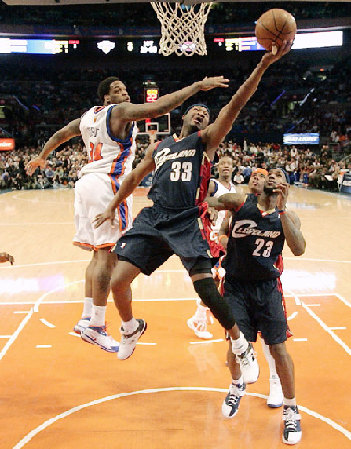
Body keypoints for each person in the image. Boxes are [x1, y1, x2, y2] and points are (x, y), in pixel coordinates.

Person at [94, 42, 292, 380]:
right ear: (183, 115)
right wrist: (112, 206)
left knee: (205, 289)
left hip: (187, 219)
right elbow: (133, 177)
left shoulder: (206, 141)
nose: (201, 113)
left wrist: (262, 66)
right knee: (117, 281)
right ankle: (130, 328)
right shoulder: (160, 146)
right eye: (195, 110)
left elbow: (237, 103)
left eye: (206, 112)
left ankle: (240, 344)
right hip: (155, 217)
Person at [26, 75, 229, 353]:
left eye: (124, 89)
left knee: (99, 254)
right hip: (108, 184)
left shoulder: (87, 118)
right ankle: (96, 324)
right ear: (107, 98)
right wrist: (195, 88)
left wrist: (43, 155)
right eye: (118, 91)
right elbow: (158, 109)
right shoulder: (118, 112)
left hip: (86, 184)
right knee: (108, 256)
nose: (125, 94)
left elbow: (62, 135)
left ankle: (87, 316)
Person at [208, 168, 305, 445]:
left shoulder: (288, 217)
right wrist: (209, 209)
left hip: (267, 289)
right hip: (237, 285)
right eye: (268, 174)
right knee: (235, 344)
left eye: (279, 175)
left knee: (278, 348)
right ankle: (237, 385)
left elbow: (298, 249)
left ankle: (291, 408)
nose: (272, 177)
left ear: (286, 186)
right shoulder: (240, 202)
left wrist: (283, 211)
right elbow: (208, 201)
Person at [187, 153, 236, 339]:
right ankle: (198, 319)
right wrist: (211, 208)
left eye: (228, 164)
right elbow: (201, 200)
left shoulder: (234, 188)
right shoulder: (214, 184)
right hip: (210, 237)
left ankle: (201, 312)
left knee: (218, 279)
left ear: (232, 168)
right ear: (218, 167)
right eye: (222, 163)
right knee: (214, 278)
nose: (225, 166)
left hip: (224, 238)